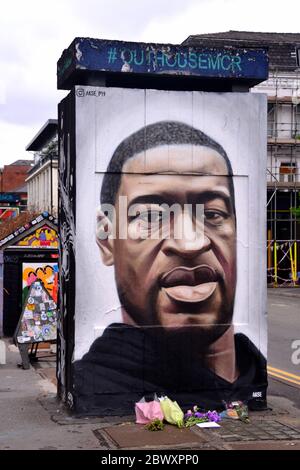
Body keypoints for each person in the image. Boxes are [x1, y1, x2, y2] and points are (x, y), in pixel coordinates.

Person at [74, 121, 267, 416]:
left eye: (213, 213)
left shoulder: (255, 373)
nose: (190, 243)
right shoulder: (92, 386)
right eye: (151, 215)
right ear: (107, 239)